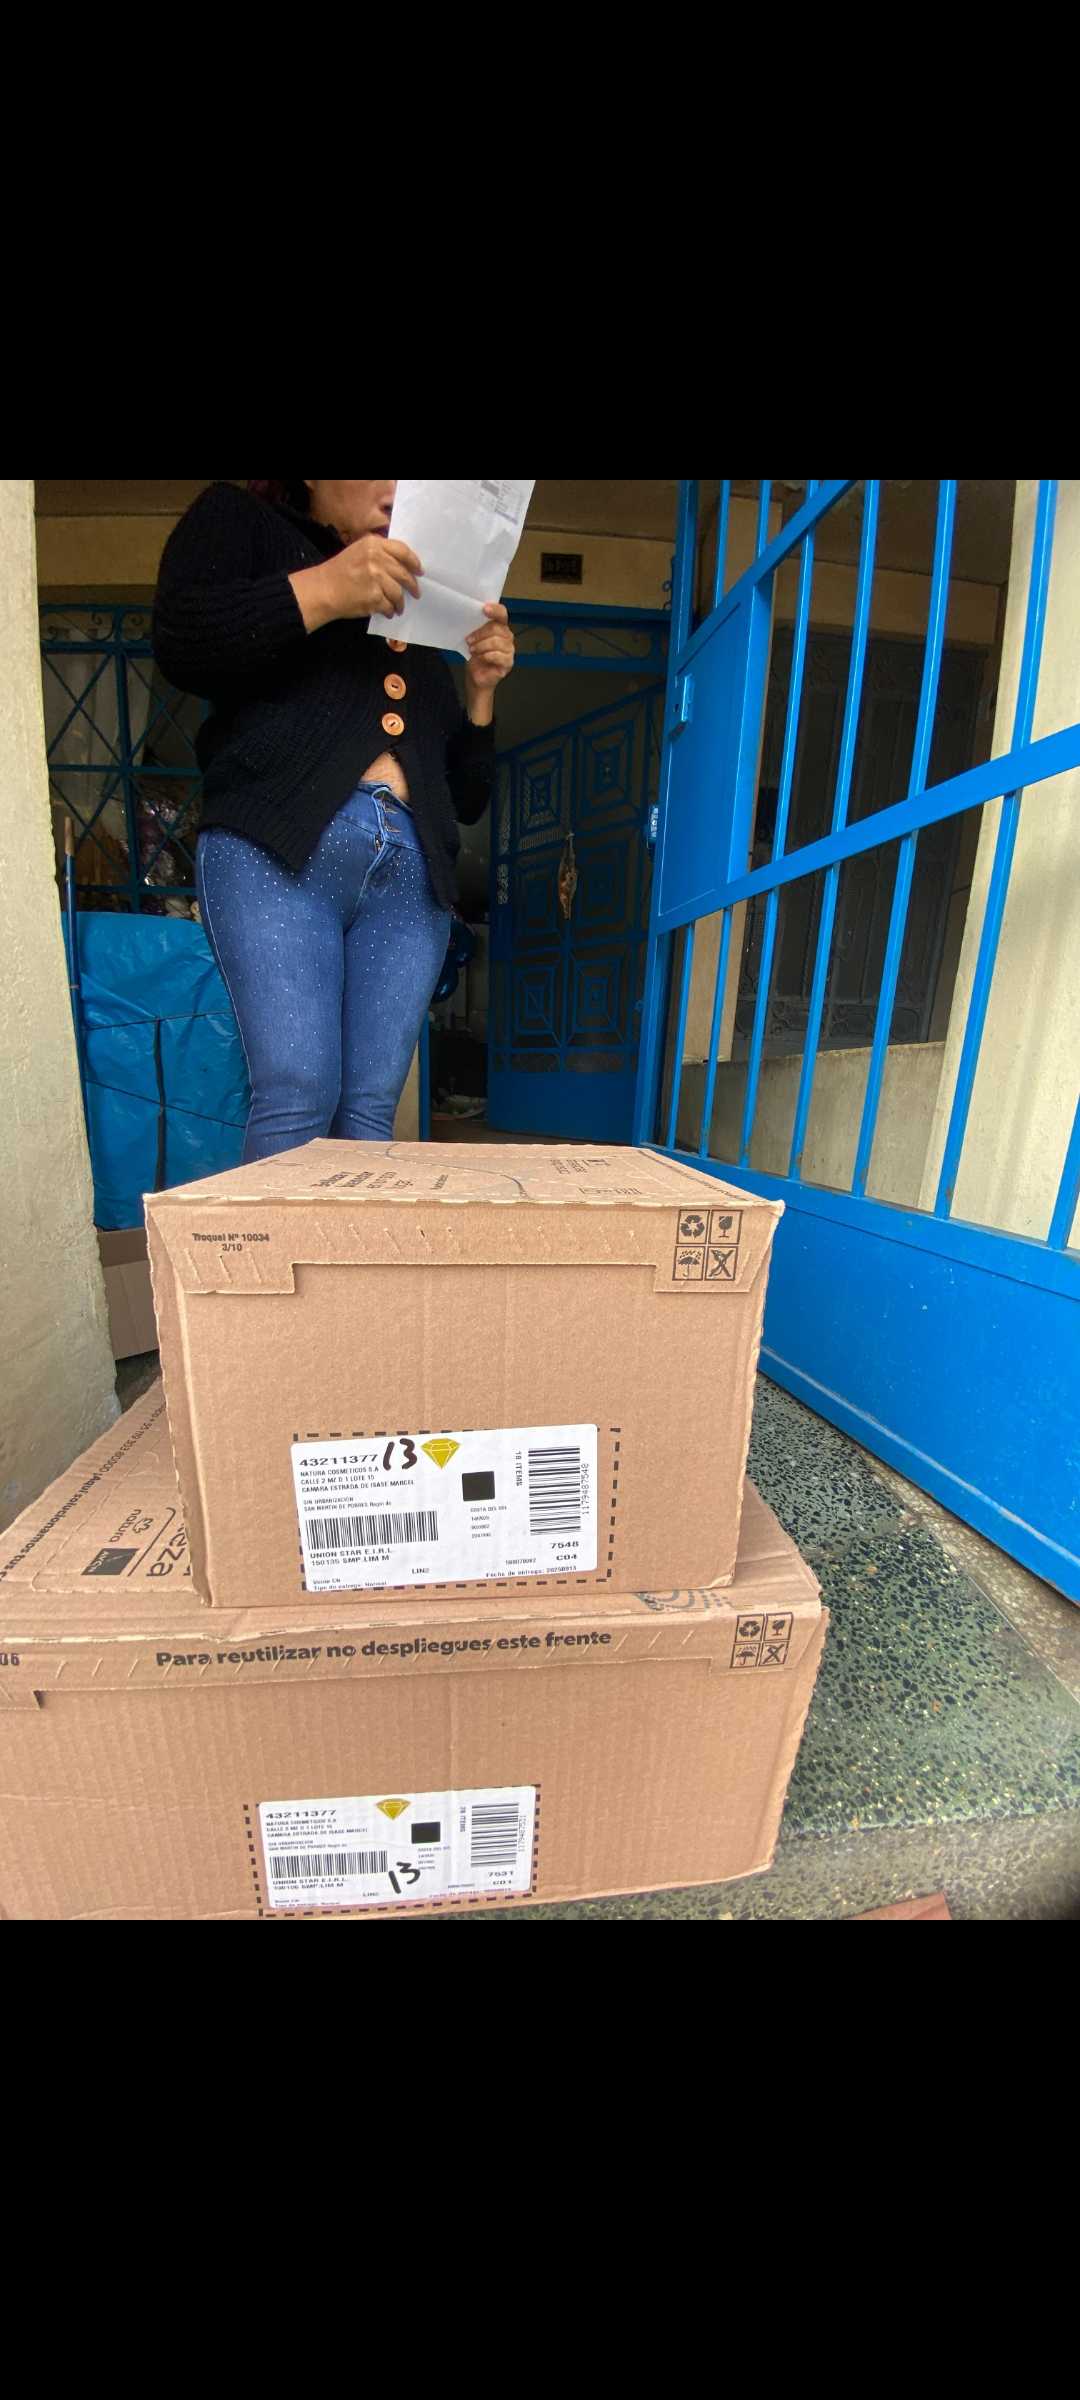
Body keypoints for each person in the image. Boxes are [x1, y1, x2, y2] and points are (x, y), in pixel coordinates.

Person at [151, 478, 515, 1161]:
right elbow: (181, 639)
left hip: (412, 877)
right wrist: (324, 590)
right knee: (297, 1091)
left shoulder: (423, 624)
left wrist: (480, 693)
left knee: (370, 1110)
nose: (397, 495)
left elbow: (467, 798)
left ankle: (344, 1239)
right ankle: (279, 1239)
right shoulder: (243, 519)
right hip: (276, 844)